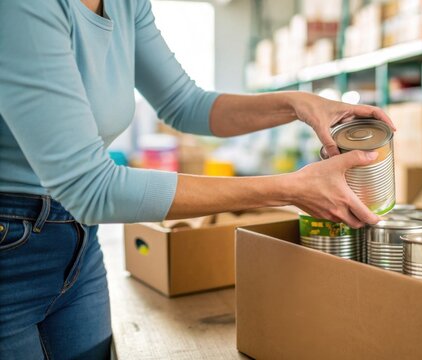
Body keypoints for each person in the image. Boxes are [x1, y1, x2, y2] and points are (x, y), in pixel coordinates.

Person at [0, 0, 394, 359]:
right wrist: (290, 188)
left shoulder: (126, 4)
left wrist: (298, 103)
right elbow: (93, 189)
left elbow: (184, 103)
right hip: (11, 249)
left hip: (77, 239)